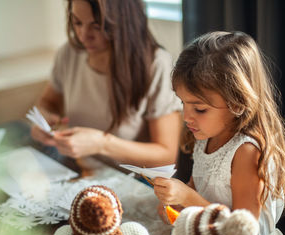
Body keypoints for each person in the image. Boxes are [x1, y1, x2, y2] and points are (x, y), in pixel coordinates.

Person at [153, 31, 285, 235]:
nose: (186, 116)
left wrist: (186, 197)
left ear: (237, 104)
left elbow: (244, 231)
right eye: (183, 103)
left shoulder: (247, 152)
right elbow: (197, 188)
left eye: (199, 108)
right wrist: (176, 206)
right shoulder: (206, 135)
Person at [30, 0, 182, 167]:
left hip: (130, 178)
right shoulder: (69, 53)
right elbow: (47, 103)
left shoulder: (155, 64)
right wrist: (43, 119)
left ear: (124, 22)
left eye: (97, 26)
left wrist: (102, 144)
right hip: (80, 168)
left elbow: (167, 155)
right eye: (77, 22)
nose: (83, 35)